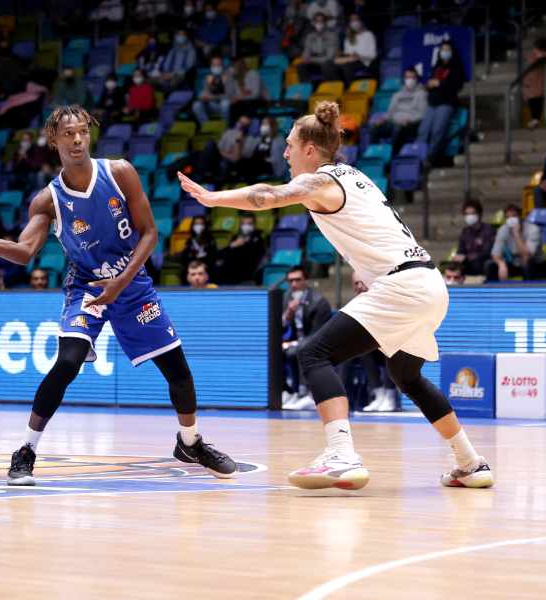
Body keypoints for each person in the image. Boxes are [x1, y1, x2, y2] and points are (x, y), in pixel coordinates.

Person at [178, 101, 494, 490]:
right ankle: (469, 461)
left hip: (403, 287)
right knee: (406, 375)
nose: (285, 152)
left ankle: (341, 455)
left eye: (290, 145)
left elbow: (269, 196)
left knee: (314, 354)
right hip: (428, 283)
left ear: (310, 149)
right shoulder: (354, 175)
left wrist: (214, 198)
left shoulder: (321, 181)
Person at [0, 104, 236, 485]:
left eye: (82, 131)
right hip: (86, 286)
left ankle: (190, 442)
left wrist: (120, 283)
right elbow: (23, 253)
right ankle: (25, 451)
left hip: (131, 284)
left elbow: (149, 234)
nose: (77, 139)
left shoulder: (120, 172)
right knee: (67, 363)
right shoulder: (48, 199)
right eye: (68, 134)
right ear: (53, 140)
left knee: (179, 373)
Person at [278, 265, 332, 411]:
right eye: (290, 281)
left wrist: (295, 343)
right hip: (295, 341)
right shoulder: (286, 297)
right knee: (274, 350)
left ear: (305, 280)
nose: (294, 284)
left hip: (315, 342)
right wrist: (288, 314)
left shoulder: (319, 301)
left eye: (297, 280)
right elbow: (279, 327)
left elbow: (318, 333)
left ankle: (307, 394)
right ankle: (288, 391)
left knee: (302, 349)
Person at [343, 272, 398, 412]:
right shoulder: (353, 305)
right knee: (363, 351)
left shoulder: (385, 300)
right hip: (372, 347)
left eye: (363, 282)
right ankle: (379, 395)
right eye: (356, 283)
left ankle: (390, 396)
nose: (360, 286)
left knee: (388, 348)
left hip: (395, 346)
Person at [417, 40, 465, 166]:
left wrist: (440, 83)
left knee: (437, 131)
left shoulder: (457, 67)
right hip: (433, 102)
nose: (445, 52)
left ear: (452, 52)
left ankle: (429, 158)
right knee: (423, 130)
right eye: (443, 50)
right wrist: (429, 85)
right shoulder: (436, 67)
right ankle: (417, 158)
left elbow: (457, 86)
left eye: (447, 50)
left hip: (446, 103)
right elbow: (431, 84)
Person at [368, 68, 426, 156]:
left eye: (412, 77)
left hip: (410, 125)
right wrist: (383, 119)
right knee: (374, 128)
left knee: (397, 129)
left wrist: (410, 120)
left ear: (416, 79)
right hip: (393, 122)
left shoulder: (421, 94)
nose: (409, 80)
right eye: (407, 77)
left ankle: (392, 155)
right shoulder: (397, 94)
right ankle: (373, 154)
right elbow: (390, 112)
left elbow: (421, 114)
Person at [485, 203, 546, 282]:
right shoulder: (503, 229)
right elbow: (495, 254)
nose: (511, 220)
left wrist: (516, 234)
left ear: (520, 217)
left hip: (536, 264)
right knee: (489, 265)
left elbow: (527, 255)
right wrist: (501, 264)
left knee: (526, 263)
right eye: (508, 217)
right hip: (515, 263)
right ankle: (494, 292)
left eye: (514, 216)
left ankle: (528, 292)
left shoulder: (533, 229)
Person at [214, 213, 265, 284]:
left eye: (249, 224)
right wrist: (233, 245)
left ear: (254, 225)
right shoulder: (236, 237)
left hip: (248, 270)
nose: (246, 226)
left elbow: (256, 257)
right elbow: (222, 253)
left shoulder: (258, 239)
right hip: (232, 270)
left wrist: (246, 244)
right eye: (244, 224)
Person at [453, 199, 495, 276]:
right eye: (467, 214)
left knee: (487, 264)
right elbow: (460, 250)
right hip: (468, 263)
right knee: (453, 266)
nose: (470, 216)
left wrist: (467, 257)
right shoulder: (465, 232)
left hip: (483, 262)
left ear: (479, 214)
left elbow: (488, 252)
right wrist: (458, 257)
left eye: (472, 213)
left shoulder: (488, 229)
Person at [334, 14, 377, 83]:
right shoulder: (348, 38)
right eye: (352, 20)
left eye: (356, 20)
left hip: (364, 61)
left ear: (361, 21)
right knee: (330, 65)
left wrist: (359, 55)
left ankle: (349, 87)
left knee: (346, 66)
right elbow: (347, 53)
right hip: (350, 60)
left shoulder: (368, 35)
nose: (354, 22)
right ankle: (335, 88)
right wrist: (341, 53)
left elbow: (373, 55)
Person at [297, 12, 338, 83]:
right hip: (314, 62)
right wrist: (305, 58)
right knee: (301, 66)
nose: (319, 24)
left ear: (325, 23)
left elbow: (329, 57)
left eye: (321, 21)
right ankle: (307, 89)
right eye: (317, 21)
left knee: (325, 65)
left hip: (328, 62)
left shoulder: (331, 36)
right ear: (313, 23)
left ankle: (328, 87)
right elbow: (306, 52)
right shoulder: (310, 36)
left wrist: (311, 59)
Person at [521, 38, 546, 129]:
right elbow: (529, 62)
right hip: (529, 79)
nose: (535, 50)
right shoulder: (532, 55)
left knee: (537, 98)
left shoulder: (545, 55)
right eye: (535, 48)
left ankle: (536, 120)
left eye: (537, 48)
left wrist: (541, 55)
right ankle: (535, 119)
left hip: (538, 80)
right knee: (531, 99)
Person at [192, 56, 232, 125]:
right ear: (211, 66)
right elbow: (203, 93)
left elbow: (229, 95)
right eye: (214, 65)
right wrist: (202, 97)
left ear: (222, 66)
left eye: (218, 65)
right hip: (211, 105)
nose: (216, 67)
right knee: (196, 105)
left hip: (223, 105)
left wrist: (213, 97)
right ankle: (207, 126)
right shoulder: (208, 78)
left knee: (225, 103)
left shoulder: (227, 77)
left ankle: (225, 127)